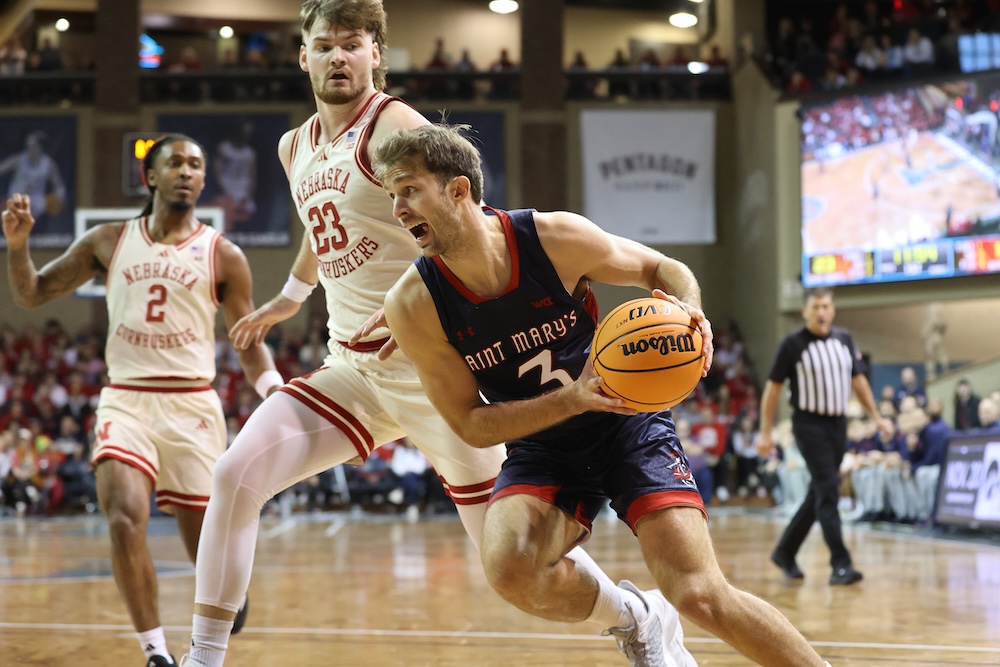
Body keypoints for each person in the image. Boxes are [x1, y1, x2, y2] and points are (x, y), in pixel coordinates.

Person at [183, 3, 693, 666]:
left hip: (442, 378)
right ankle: (201, 658)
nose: (339, 57)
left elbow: (462, 210)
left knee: (514, 572)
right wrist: (286, 299)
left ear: (375, 55)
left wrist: (425, 306)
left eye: (353, 45)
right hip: (355, 372)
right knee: (236, 473)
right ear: (301, 56)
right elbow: (322, 221)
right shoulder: (294, 145)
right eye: (325, 45)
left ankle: (639, 614)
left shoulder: (393, 123)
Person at [373, 122, 834, 667]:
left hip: (627, 423)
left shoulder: (553, 239)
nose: (398, 209)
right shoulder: (415, 304)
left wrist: (692, 311)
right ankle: (638, 618)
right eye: (392, 195)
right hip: (543, 445)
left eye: (409, 189)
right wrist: (573, 398)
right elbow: (472, 424)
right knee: (509, 569)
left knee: (699, 595)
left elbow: (662, 268)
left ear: (457, 190)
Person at [2, 134, 283, 667]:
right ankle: (155, 652)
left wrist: (273, 391)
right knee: (125, 516)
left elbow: (249, 343)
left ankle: (228, 590)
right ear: (151, 177)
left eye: (196, 165)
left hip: (192, 405)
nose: (186, 171)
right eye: (174, 162)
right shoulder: (108, 241)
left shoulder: (224, 255)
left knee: (207, 546)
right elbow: (31, 294)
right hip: (127, 399)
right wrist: (18, 248)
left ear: (203, 181)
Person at [758, 288, 893, 586]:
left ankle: (785, 551)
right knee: (829, 489)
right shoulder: (792, 344)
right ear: (805, 311)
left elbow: (858, 381)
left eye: (827, 306)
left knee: (819, 491)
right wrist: (766, 431)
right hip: (808, 424)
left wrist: (876, 417)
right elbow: (773, 390)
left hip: (837, 424)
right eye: (816, 306)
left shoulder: (844, 340)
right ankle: (841, 564)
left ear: (832, 310)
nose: (822, 311)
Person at [0, 130, 67, 236]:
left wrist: (60, 196)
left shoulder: (48, 164)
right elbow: (2, 168)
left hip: (36, 205)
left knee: (53, 204)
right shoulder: (19, 160)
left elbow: (59, 186)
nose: (29, 149)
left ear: (40, 147)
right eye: (28, 146)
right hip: (15, 202)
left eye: (32, 146)